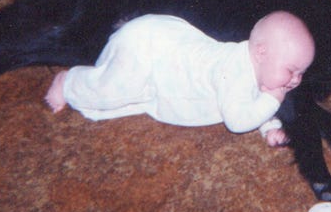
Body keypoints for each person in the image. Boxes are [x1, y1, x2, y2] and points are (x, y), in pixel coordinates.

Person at [45, 11, 315, 147]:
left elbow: (250, 99)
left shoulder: (257, 66)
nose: (295, 80)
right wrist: (271, 100)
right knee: (110, 90)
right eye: (291, 70)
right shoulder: (235, 71)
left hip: (168, 50)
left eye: (301, 72)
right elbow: (238, 120)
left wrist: (269, 126)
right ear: (261, 52)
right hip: (147, 51)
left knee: (132, 93)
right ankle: (67, 82)